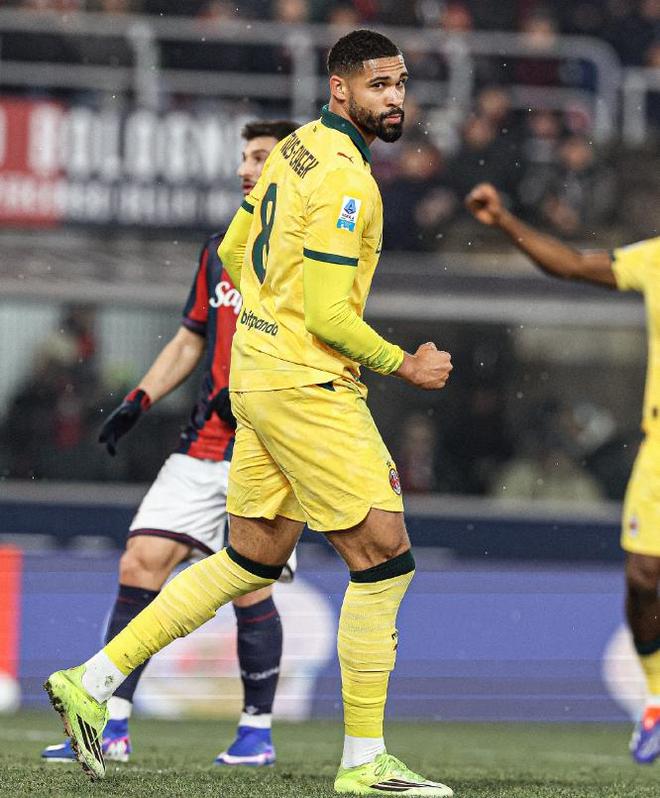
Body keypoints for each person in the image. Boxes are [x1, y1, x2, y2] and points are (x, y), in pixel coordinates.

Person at [44, 29, 454, 796]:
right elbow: (329, 316)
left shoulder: (294, 149)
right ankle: (365, 762)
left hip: (255, 381)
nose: (395, 98)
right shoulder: (347, 180)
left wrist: (268, 314)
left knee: (248, 560)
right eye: (379, 85)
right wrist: (405, 363)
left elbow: (235, 251)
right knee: (385, 560)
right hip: (307, 385)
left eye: (400, 84)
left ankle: (91, 681)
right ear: (340, 90)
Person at [41, 119, 299, 768]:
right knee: (140, 563)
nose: (245, 168)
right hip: (201, 444)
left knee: (249, 587)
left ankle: (256, 733)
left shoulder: (309, 248)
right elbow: (191, 337)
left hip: (268, 451)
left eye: (259, 157)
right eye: (243, 156)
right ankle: (111, 725)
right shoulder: (220, 248)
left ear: (289, 168)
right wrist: (139, 400)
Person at [466, 181, 660, 765]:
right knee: (644, 577)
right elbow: (573, 264)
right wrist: (506, 221)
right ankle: (656, 697)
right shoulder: (655, 258)